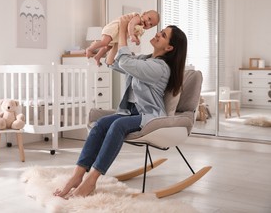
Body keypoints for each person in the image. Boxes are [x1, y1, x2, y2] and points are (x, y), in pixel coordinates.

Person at [54, 13, 187, 198]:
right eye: (160, 31)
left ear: (170, 47)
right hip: (130, 112)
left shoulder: (161, 68)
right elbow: (113, 62)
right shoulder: (144, 59)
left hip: (149, 116)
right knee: (101, 124)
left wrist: (125, 30)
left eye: (163, 35)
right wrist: (117, 35)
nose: (157, 34)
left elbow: (125, 61)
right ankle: (76, 176)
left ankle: (90, 181)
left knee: (117, 126)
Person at [86, 10, 160, 66]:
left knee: (107, 47)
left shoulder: (141, 30)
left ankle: (97, 57)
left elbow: (138, 36)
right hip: (114, 28)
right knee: (104, 42)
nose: (148, 23)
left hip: (117, 36)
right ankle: (89, 49)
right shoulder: (138, 18)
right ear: (144, 14)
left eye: (151, 25)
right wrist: (131, 35)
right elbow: (131, 24)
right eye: (149, 18)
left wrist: (137, 41)